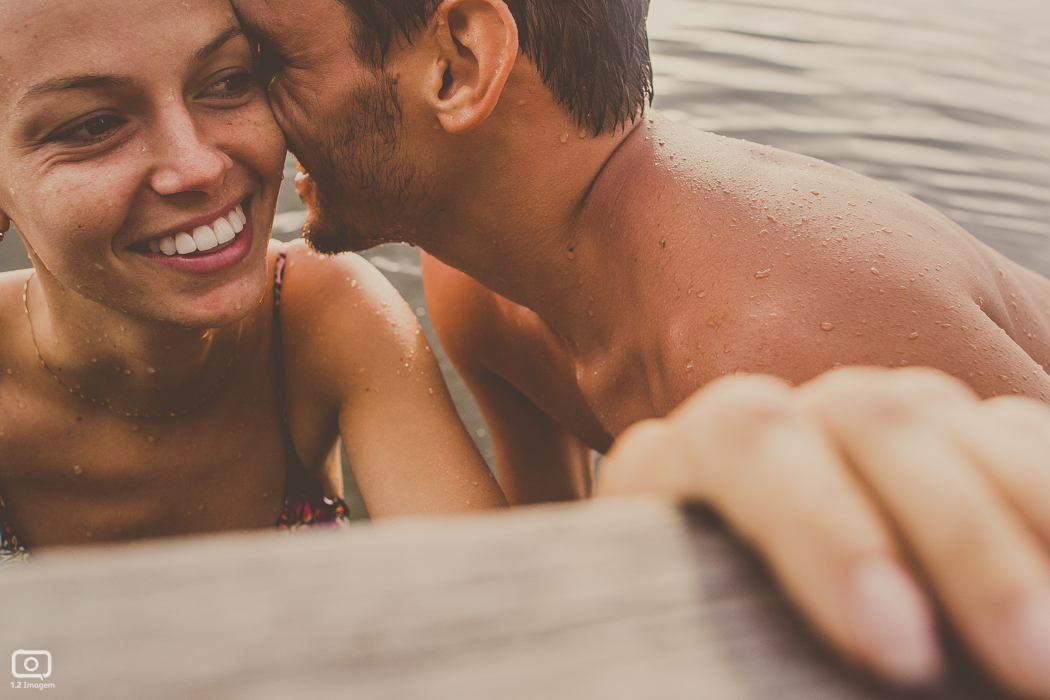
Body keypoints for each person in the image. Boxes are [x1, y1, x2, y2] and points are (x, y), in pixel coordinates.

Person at [231, 0, 1050, 695]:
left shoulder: (775, 342)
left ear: (459, 64)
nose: (241, 117)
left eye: (268, 62)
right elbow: (561, 596)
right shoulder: (478, 286)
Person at [0, 0, 506, 568]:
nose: (200, 167)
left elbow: (483, 611)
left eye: (228, 81)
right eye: (95, 125)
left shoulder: (319, 317)